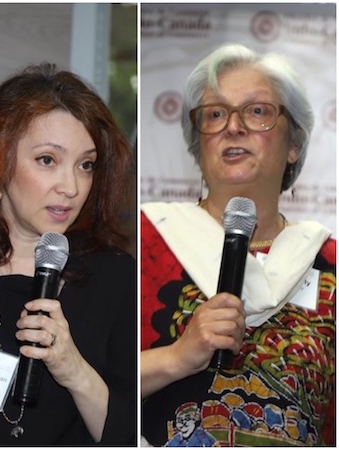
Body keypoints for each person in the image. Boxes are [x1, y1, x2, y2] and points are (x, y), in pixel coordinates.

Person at [140, 44, 335, 446]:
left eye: (257, 111)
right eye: (215, 115)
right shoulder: (146, 239)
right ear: (198, 146)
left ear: (294, 144)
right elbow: (91, 384)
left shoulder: (330, 263)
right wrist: (177, 357)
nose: (233, 127)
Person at [0, 63, 137, 445]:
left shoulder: (115, 277)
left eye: (86, 165)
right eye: (48, 160)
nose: (71, 187)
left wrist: (74, 370)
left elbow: (130, 436)